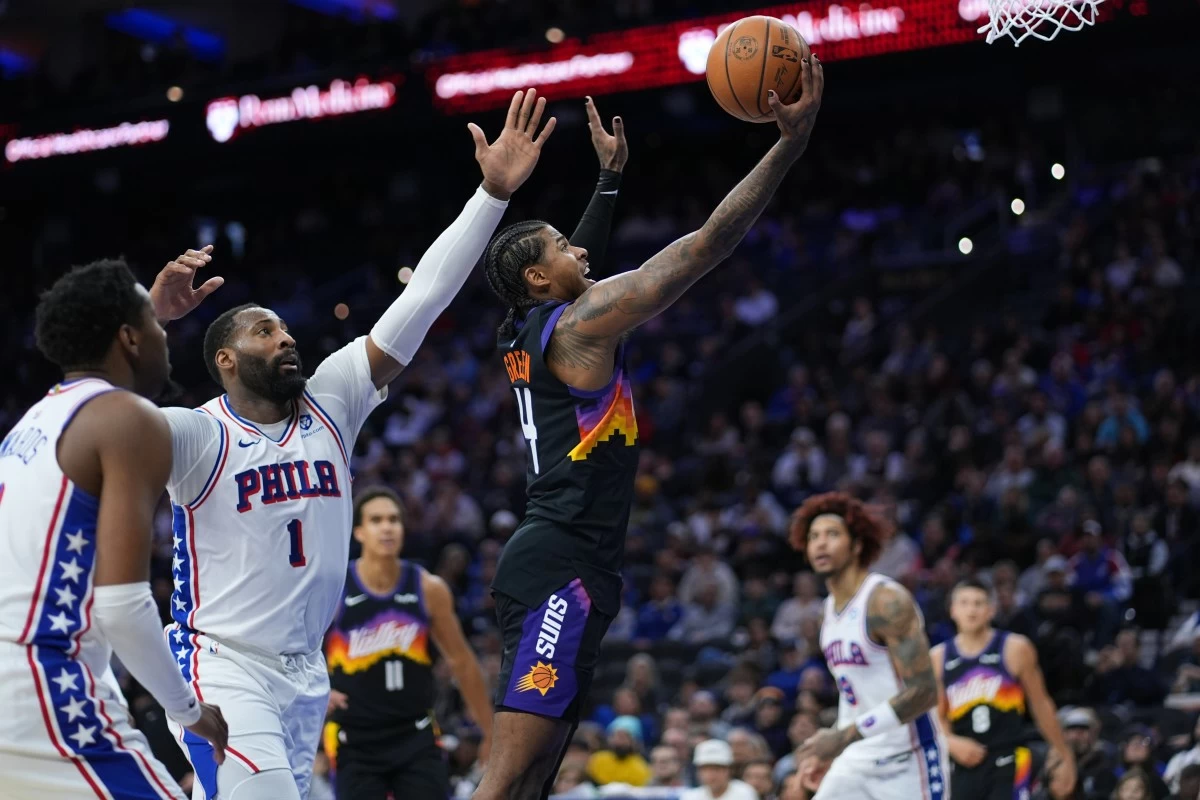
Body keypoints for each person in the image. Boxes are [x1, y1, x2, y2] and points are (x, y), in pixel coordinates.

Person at [146, 88, 556, 800]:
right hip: (221, 665)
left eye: (285, 327)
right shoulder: (197, 433)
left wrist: (490, 195)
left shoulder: (331, 399)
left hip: (309, 670)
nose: (287, 337)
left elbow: (422, 299)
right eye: (265, 331)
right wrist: (150, 320)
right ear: (225, 360)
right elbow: (97, 416)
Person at [474, 58, 825, 800]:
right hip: (559, 568)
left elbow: (567, 261)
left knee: (534, 778)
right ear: (542, 280)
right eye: (565, 250)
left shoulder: (526, 326)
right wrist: (787, 147)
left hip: (571, 562)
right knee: (505, 781)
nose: (582, 249)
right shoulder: (580, 327)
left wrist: (608, 180)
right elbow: (705, 248)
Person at [0, 259, 228, 797]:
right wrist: (191, 712)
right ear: (128, 337)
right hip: (44, 686)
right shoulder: (129, 418)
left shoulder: (36, 420)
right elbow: (123, 605)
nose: (165, 339)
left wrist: (152, 312)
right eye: (151, 323)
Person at [324, 487, 493, 799]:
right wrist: (318, 684)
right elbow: (299, 650)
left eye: (394, 520)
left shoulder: (428, 587)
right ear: (358, 531)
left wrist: (489, 731)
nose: (387, 527)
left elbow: (462, 662)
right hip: (354, 738)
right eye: (376, 520)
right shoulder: (334, 588)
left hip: (415, 733)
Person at [788, 491, 948, 800]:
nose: (820, 543)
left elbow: (925, 692)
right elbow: (853, 695)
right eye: (813, 537)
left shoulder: (886, 601)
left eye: (832, 534)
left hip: (908, 758)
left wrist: (843, 737)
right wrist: (830, 751)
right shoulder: (827, 612)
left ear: (857, 544)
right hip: (858, 758)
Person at [932, 578, 1077, 800]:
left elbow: (1041, 705)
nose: (971, 610)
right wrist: (950, 742)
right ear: (953, 610)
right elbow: (936, 716)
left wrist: (1063, 753)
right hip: (962, 761)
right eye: (964, 603)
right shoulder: (938, 657)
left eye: (979, 603)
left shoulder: (1015, 648)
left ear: (991, 610)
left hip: (1009, 757)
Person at [681, 740, 759, 800]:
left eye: (717, 769)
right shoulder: (690, 797)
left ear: (729, 770)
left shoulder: (745, 793)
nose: (712, 774)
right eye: (706, 769)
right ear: (698, 772)